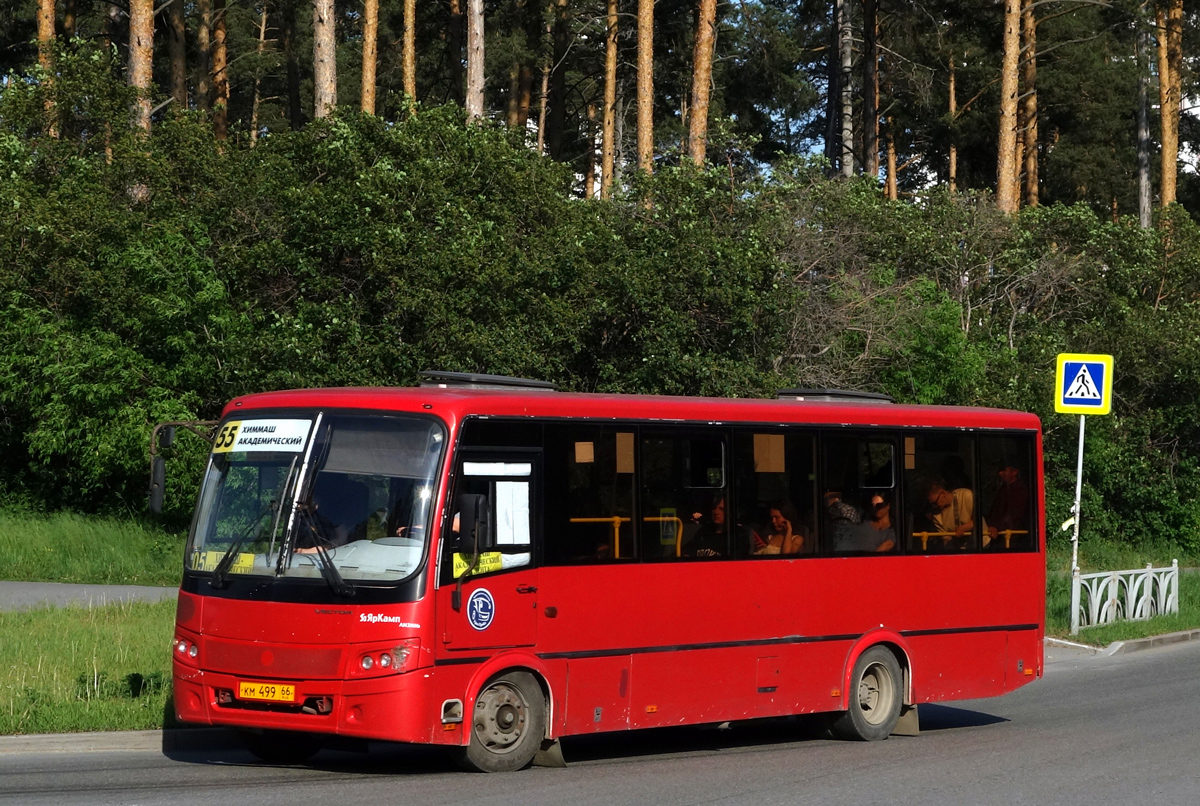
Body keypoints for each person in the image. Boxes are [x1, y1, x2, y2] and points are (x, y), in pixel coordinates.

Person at [984, 460, 1030, 549]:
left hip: (1010, 535)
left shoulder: (1019, 489)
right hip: (1000, 534)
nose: (1000, 473)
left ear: (1015, 472)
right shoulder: (1003, 488)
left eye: (1004, 470)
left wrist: (997, 528)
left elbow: (1014, 514)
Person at [926, 477, 973, 549]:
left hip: (981, 544)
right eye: (932, 504)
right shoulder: (936, 517)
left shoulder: (966, 495)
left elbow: (978, 520)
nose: (934, 507)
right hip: (960, 549)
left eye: (935, 503)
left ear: (943, 493)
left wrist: (963, 528)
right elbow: (946, 539)